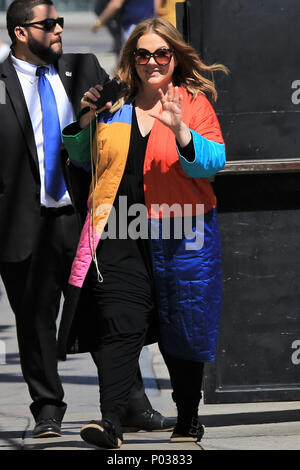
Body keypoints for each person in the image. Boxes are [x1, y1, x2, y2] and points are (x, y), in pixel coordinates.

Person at [0, 0, 173, 440]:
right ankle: (48, 410)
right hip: (25, 223)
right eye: (49, 24)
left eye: (60, 21)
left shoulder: (84, 67)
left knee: (110, 309)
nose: (59, 29)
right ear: (21, 33)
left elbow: (126, 117)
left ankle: (130, 404)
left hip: (86, 218)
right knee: (36, 319)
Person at [59, 17, 227, 449]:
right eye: (142, 54)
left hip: (181, 231)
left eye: (161, 54)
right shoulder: (113, 102)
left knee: (182, 327)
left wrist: (180, 130)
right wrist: (84, 119)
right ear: (131, 60)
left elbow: (212, 163)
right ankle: (110, 421)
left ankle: (187, 418)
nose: (152, 61)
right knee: (120, 323)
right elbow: (81, 159)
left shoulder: (193, 103)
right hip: (119, 230)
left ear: (174, 57)